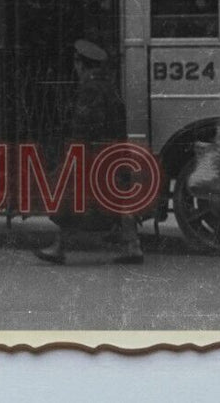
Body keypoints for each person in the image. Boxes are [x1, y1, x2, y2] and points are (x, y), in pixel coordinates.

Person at [35, 40, 144, 266]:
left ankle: (59, 248)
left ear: (81, 64)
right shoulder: (109, 87)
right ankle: (132, 245)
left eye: (76, 62)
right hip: (111, 150)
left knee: (69, 199)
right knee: (119, 197)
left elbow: (84, 123)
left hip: (92, 152)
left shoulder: (89, 88)